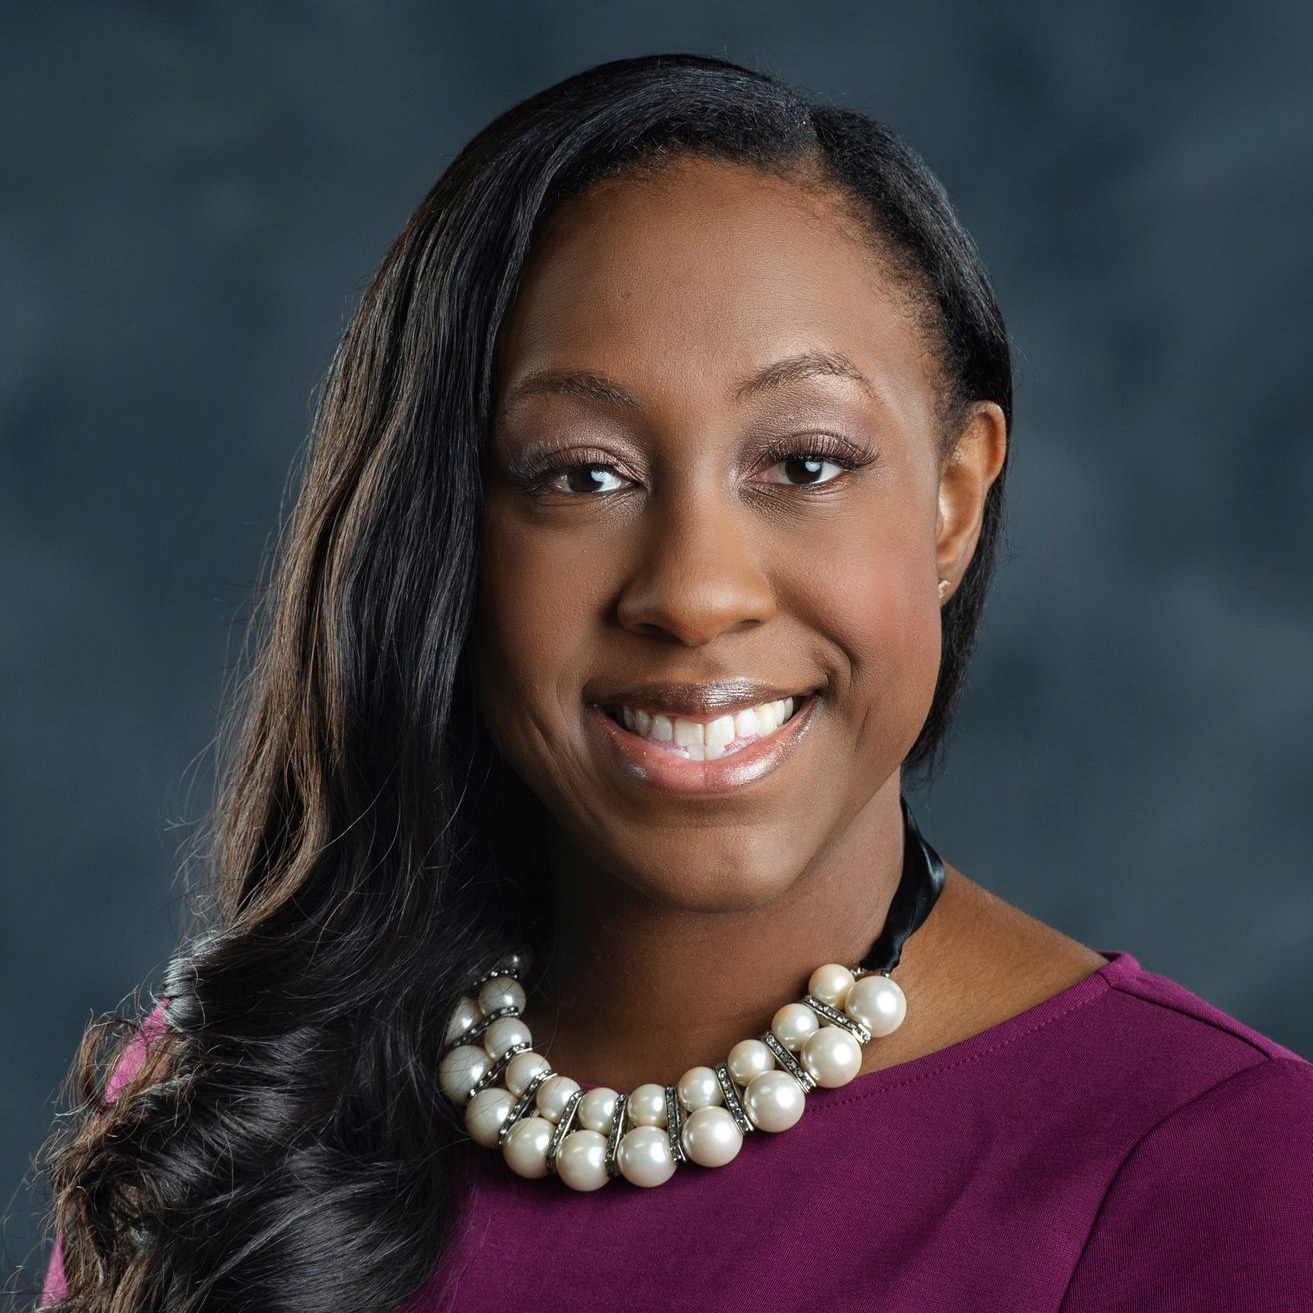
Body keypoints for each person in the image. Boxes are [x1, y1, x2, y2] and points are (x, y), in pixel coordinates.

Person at [35, 53, 1313, 1313]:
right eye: (581, 474)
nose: (696, 593)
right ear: (448, 533)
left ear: (950, 502)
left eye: (804, 463)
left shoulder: (1221, 1170)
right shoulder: (242, 1107)